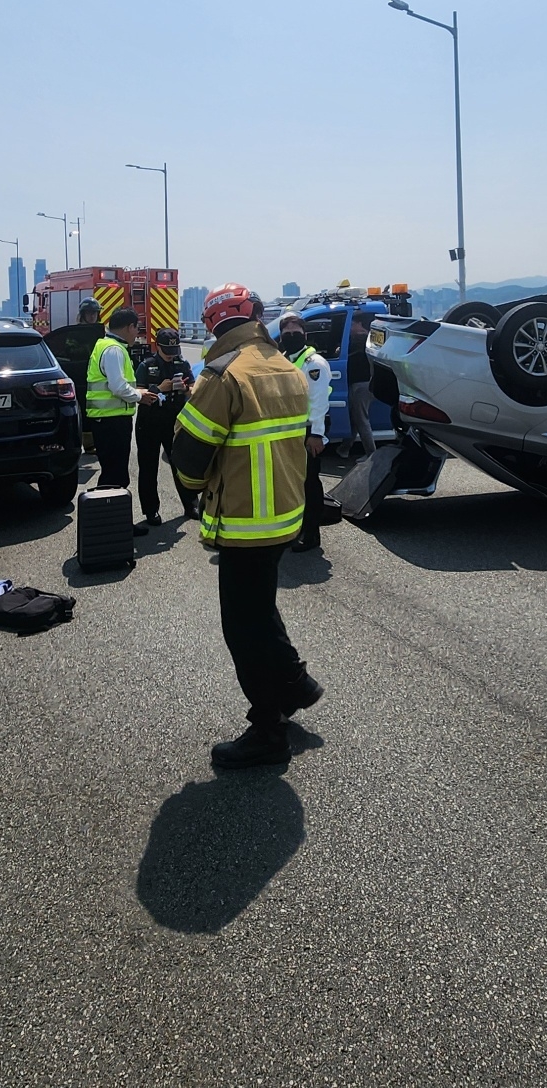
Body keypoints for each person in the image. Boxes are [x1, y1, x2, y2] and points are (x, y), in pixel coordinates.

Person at [172, 283, 319, 768]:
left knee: (244, 626)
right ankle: (296, 684)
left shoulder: (222, 375)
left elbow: (190, 462)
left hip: (243, 523)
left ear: (214, 324)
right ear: (256, 316)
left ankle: (267, 729)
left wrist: (195, 483)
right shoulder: (286, 369)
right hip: (284, 518)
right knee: (261, 608)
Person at [84, 307, 155, 534]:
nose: (137, 333)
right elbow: (118, 387)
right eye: (137, 328)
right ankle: (115, 524)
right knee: (115, 475)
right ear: (128, 327)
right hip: (112, 421)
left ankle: (111, 521)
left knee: (112, 472)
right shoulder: (114, 350)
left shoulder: (103, 344)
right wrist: (140, 397)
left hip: (106, 421)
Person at [277, 312, 330, 554]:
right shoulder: (286, 358)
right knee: (294, 483)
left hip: (309, 430)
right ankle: (297, 529)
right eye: (286, 333)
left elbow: (318, 401)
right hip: (291, 431)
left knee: (309, 484)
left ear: (305, 335)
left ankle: (311, 534)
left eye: (295, 333)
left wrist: (317, 434)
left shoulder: (313, 363)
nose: (290, 336)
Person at [134, 326, 197, 524]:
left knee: (182, 465)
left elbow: (194, 388)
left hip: (174, 421)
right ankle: (151, 511)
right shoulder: (147, 365)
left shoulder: (182, 363)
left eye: (174, 351)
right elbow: (137, 393)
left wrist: (186, 388)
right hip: (150, 422)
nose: (171, 356)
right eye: (167, 351)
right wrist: (159, 389)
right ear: (158, 347)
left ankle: (190, 504)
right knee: (149, 467)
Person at [345, 314, 375, 458]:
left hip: (362, 384)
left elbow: (353, 357)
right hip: (361, 383)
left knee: (361, 419)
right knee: (355, 418)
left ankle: (371, 454)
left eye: (352, 324)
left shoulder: (363, 339)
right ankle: (344, 448)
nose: (350, 328)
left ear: (360, 324)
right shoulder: (363, 339)